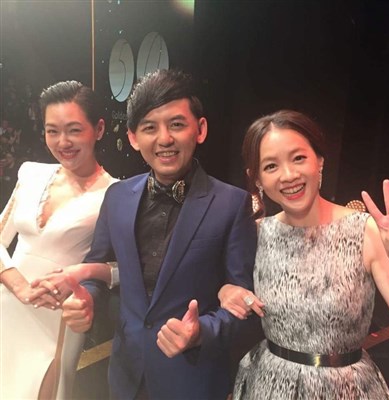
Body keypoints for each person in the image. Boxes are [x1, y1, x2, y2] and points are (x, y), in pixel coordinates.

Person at [62, 69, 260, 400]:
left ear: (200, 129)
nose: (164, 138)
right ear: (133, 137)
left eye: (177, 124)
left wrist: (201, 331)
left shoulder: (231, 204)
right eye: (150, 127)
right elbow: (97, 268)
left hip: (193, 378)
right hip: (126, 375)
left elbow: (245, 305)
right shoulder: (117, 197)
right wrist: (87, 300)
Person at [218, 110, 389, 399]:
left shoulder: (363, 230)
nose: (289, 175)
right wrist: (225, 290)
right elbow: (227, 287)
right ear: (257, 179)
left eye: (299, 158)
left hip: (345, 389)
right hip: (268, 386)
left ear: (320, 161)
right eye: (271, 166)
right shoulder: (256, 234)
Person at [0, 80, 118, 400]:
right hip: (7, 304)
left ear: (99, 129)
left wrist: (83, 274)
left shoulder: (114, 193)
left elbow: (121, 267)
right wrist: (19, 286)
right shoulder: (31, 173)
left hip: (59, 315)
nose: (63, 142)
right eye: (52, 131)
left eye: (74, 130)